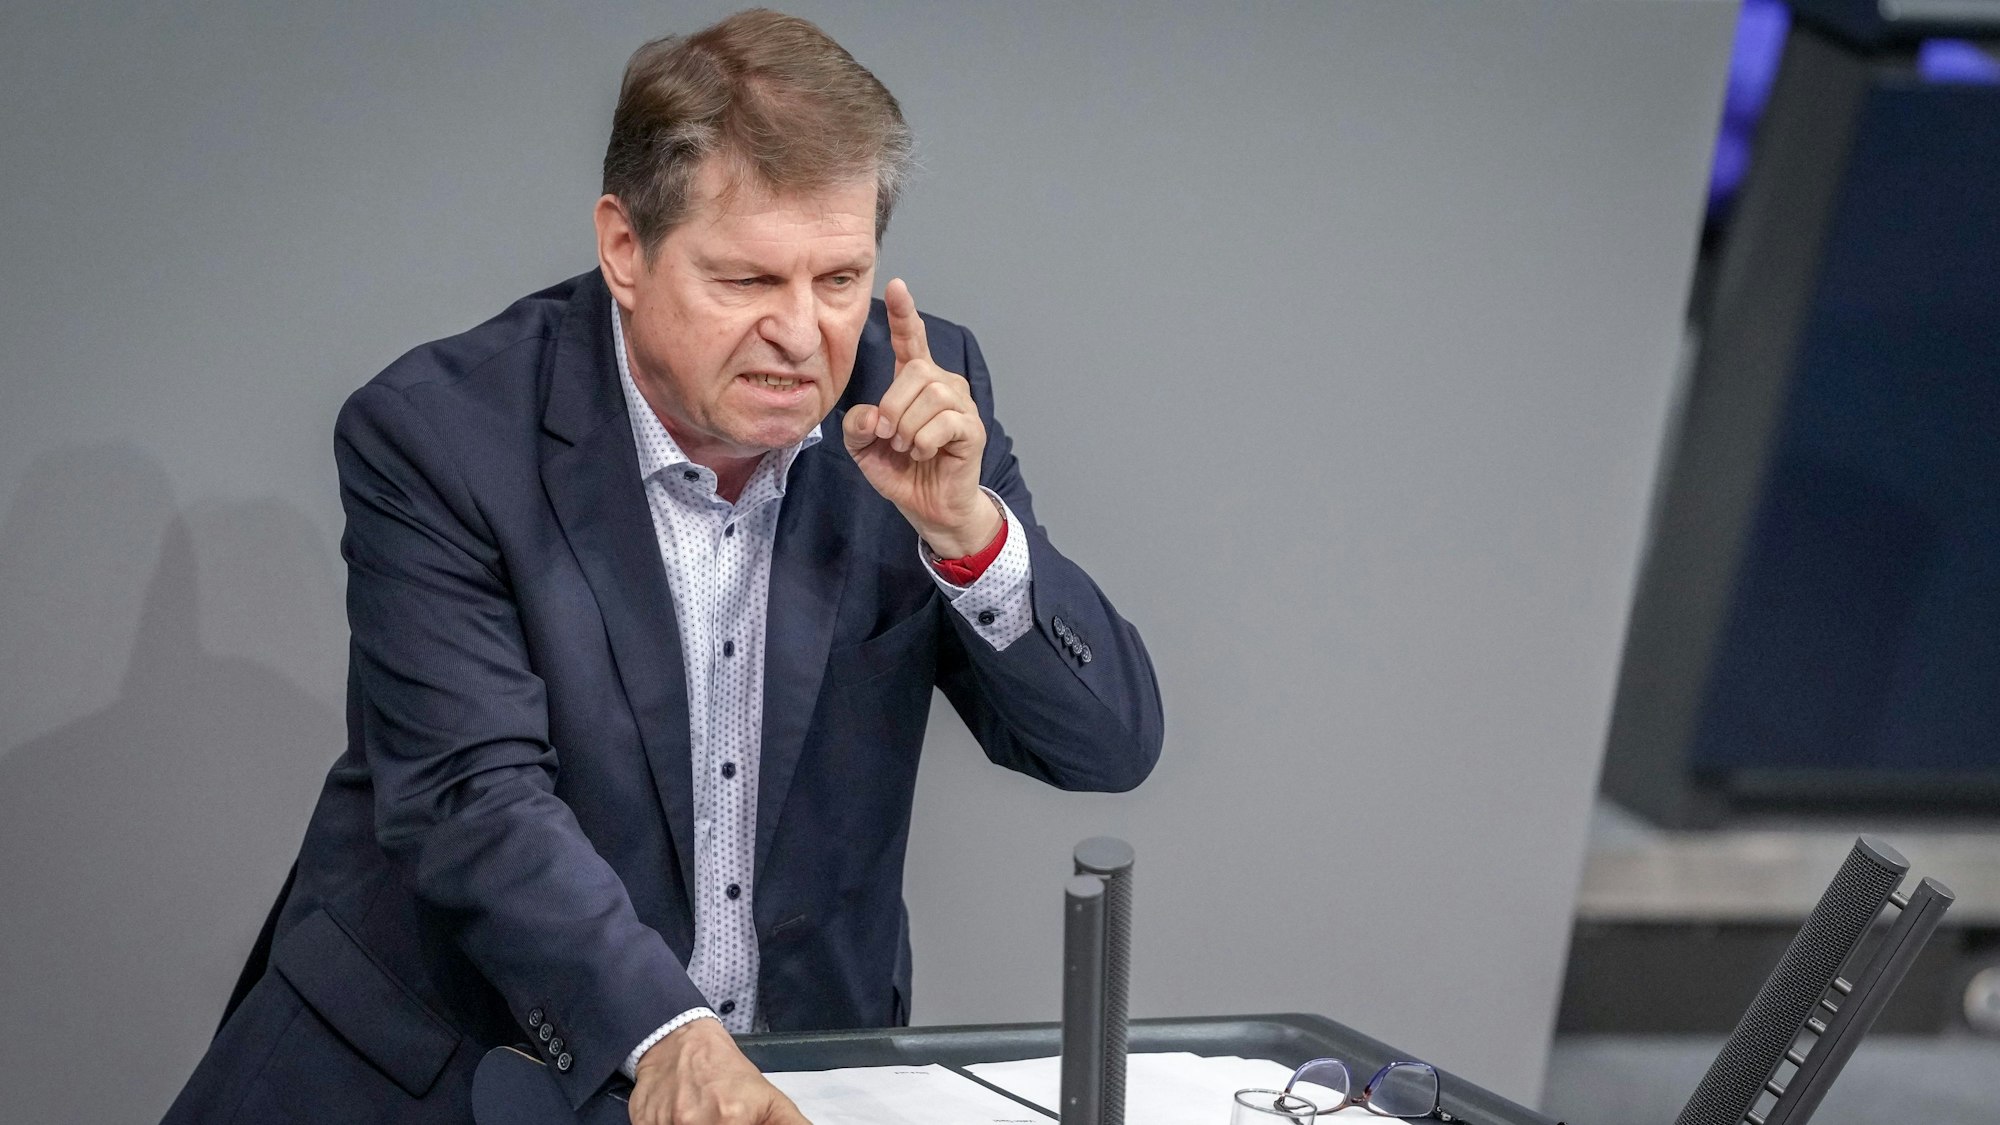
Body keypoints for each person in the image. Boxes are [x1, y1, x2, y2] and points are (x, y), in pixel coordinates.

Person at [163, 9, 1162, 1124]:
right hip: (450, 1070)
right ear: (624, 249)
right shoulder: (441, 436)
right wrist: (667, 1034)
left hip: (777, 1077)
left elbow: (1107, 746)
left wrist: (966, 535)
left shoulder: (910, 391)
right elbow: (473, 800)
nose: (802, 334)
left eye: (838, 279)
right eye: (745, 282)